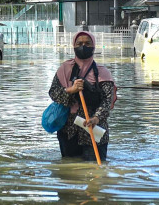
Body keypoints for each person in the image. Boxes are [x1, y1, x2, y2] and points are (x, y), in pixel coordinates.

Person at [48, 31, 116, 161]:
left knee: (94, 170)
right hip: (69, 131)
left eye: (87, 43)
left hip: (95, 130)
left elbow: (107, 101)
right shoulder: (65, 69)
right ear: (74, 46)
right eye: (79, 43)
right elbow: (53, 93)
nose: (83, 46)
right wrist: (70, 90)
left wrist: (96, 118)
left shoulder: (103, 72)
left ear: (94, 46)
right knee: (71, 171)